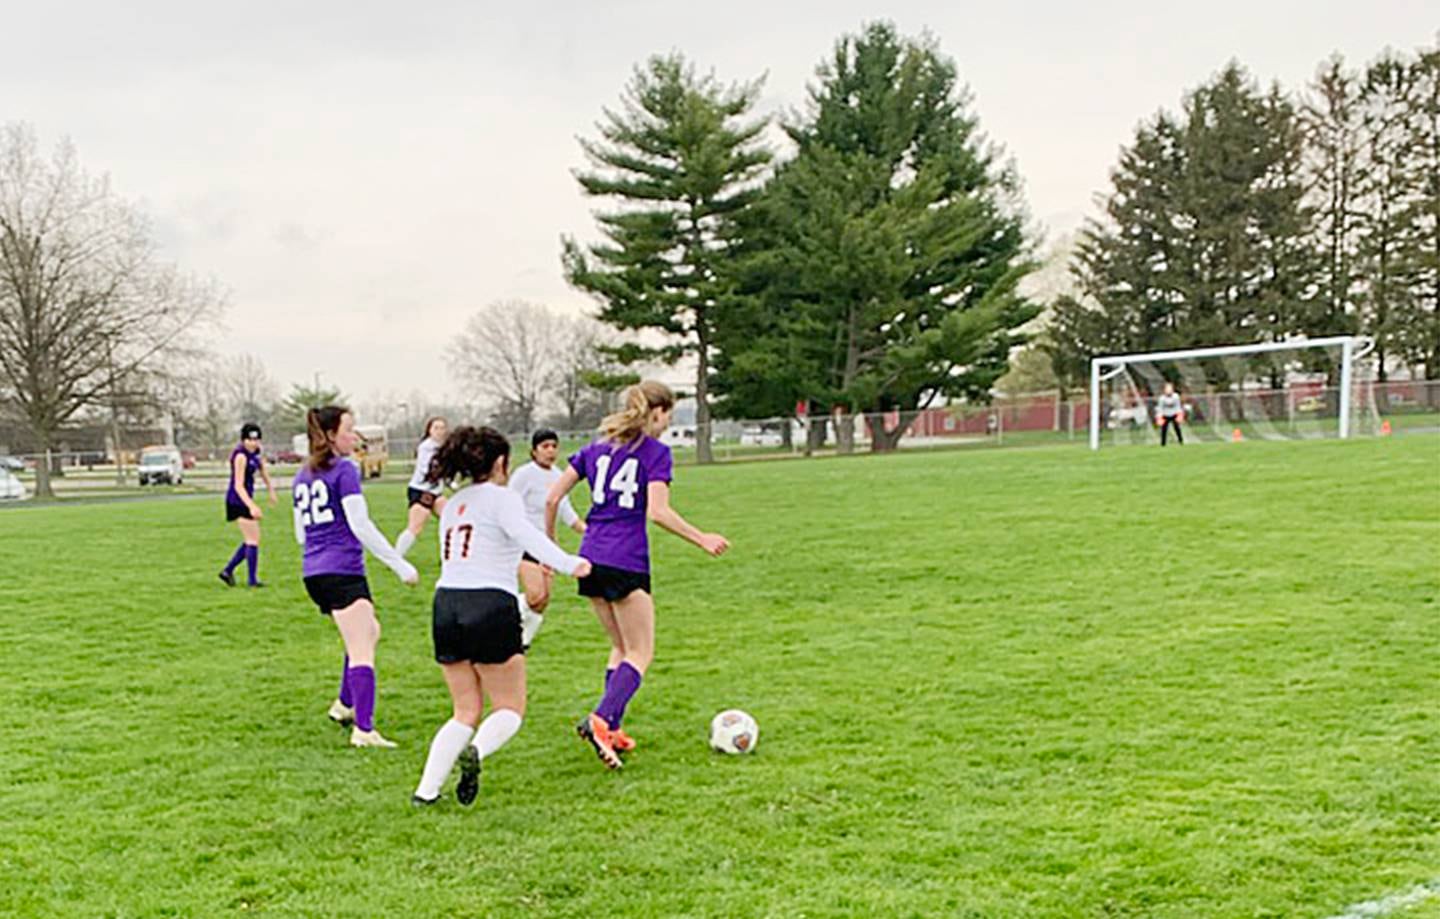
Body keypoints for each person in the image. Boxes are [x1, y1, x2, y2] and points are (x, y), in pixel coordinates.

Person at [545, 381, 729, 770]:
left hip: (590, 556)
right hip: (626, 559)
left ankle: (611, 728)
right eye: (668, 415)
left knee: (620, 647)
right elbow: (658, 511)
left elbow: (552, 497)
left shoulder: (594, 449)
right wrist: (701, 538)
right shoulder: (655, 453)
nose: (667, 423)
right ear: (657, 412)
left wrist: (550, 549)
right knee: (641, 652)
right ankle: (600, 719)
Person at [411, 426, 590, 806]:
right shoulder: (502, 498)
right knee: (509, 707)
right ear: (499, 462)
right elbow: (527, 535)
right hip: (489, 603)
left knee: (464, 708)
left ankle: (425, 793)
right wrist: (569, 563)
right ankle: (475, 752)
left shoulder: (456, 504)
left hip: (445, 605)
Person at [292, 405, 418, 748]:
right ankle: (364, 729)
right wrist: (399, 564)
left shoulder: (302, 475)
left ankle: (344, 705)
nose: (355, 435)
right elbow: (360, 524)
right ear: (332, 435)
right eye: (349, 429)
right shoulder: (344, 470)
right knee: (362, 646)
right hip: (341, 570)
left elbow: (301, 533)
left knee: (369, 631)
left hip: (314, 571)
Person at [507, 429, 586, 650]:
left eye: (554, 446)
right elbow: (509, 505)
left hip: (546, 547)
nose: (550, 451)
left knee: (543, 601)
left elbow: (567, 512)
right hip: (524, 544)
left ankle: (522, 643)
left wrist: (589, 531)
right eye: (545, 447)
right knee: (535, 595)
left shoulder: (559, 476)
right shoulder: (524, 474)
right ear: (534, 451)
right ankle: (500, 612)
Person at [219, 422, 277, 588]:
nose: (254, 443)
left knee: (252, 539)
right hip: (237, 499)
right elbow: (238, 485)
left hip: (246, 498)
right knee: (252, 539)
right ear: (243, 440)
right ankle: (251, 580)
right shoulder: (240, 456)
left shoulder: (256, 454)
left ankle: (228, 571)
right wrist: (251, 505)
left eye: (257, 439)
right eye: (250, 440)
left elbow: (263, 472)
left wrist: (271, 490)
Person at [396, 416, 448, 558]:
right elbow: (428, 470)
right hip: (421, 491)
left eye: (442, 428)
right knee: (415, 527)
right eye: (436, 428)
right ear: (429, 430)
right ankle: (396, 557)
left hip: (436, 491)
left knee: (449, 519)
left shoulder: (445, 446)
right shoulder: (426, 447)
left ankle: (448, 556)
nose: (439, 431)